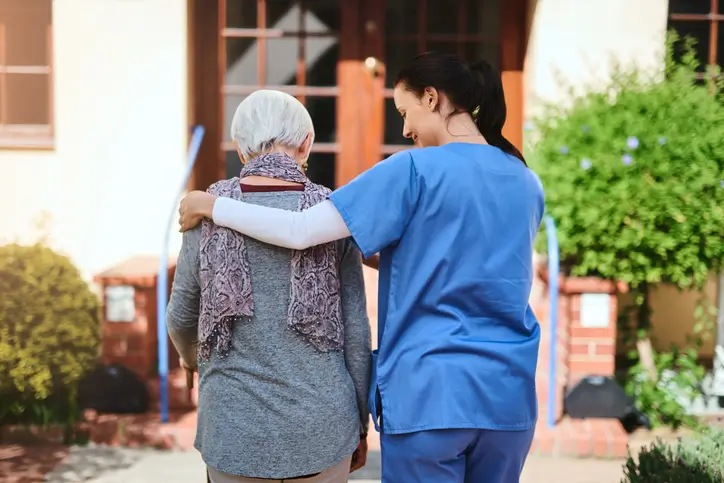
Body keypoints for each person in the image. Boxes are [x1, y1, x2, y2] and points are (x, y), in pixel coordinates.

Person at [178, 52, 544, 483]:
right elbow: (461, 260)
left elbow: (300, 230)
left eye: (405, 112)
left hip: (430, 396)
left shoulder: (412, 169)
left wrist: (214, 205)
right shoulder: (524, 178)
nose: (405, 129)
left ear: (432, 98)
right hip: (508, 398)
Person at [167, 90, 371, 483]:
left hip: (233, 430)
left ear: (242, 151)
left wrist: (191, 359)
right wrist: (359, 423)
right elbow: (356, 333)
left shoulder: (204, 210)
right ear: (306, 143)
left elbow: (180, 318)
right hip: (323, 430)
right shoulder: (331, 213)